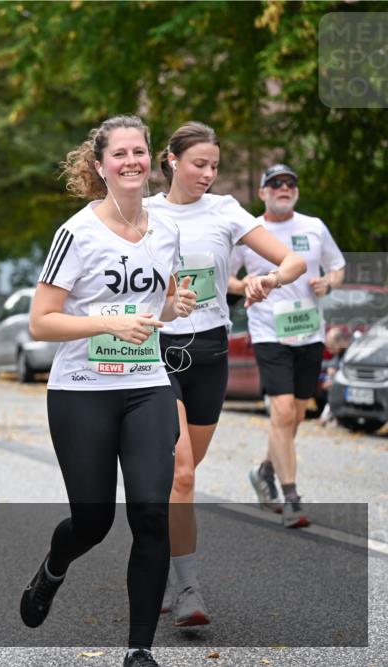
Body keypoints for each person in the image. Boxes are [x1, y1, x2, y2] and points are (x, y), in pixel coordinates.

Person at [22, 115, 197, 667]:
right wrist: (105, 324)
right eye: (119, 154)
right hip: (82, 390)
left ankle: (139, 651)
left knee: (150, 514)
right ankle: (53, 568)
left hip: (147, 385)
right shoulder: (77, 232)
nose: (131, 162)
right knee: (94, 521)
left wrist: (175, 307)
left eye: (139, 152)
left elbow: (158, 306)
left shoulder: (166, 229)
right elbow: (40, 322)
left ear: (153, 160)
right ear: (100, 166)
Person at [147, 123, 306, 626]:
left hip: (210, 353)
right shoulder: (145, 211)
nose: (209, 174)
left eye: (214, 166)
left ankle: (164, 566)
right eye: (199, 164)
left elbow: (294, 260)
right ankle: (188, 588)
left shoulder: (225, 210)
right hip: (156, 349)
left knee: (178, 484)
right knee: (182, 472)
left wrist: (269, 279)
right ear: (171, 160)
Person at [230, 163, 346, 527]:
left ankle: (265, 470)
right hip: (269, 332)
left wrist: (328, 283)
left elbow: (338, 266)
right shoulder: (251, 231)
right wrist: (247, 285)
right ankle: (291, 496)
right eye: (275, 183)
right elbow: (226, 278)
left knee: (295, 415)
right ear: (262, 192)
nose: (284, 187)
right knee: (281, 412)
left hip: (309, 333)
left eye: (290, 182)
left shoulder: (314, 226)